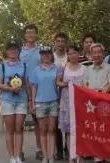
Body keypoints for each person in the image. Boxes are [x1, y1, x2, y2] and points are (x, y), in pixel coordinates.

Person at [0, 40, 29, 163]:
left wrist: (23, 90)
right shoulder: (2, 66)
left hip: (21, 100)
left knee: (19, 128)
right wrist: (10, 89)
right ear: (7, 51)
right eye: (10, 49)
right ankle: (12, 157)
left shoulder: (23, 65)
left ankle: (18, 155)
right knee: (10, 130)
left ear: (18, 51)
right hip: (8, 100)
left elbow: (27, 83)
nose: (13, 51)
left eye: (15, 49)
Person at [29, 45, 60, 163]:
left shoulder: (56, 68)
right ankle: (45, 155)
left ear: (51, 55)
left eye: (48, 53)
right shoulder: (36, 70)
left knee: (51, 129)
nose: (46, 56)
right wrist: (32, 103)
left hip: (53, 101)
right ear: (40, 56)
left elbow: (59, 84)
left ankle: (51, 155)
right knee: (42, 129)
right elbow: (34, 87)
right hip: (40, 103)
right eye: (43, 54)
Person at [57, 45, 86, 163]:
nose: (72, 55)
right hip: (67, 102)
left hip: (81, 102)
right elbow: (58, 82)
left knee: (80, 129)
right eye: (70, 53)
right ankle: (71, 156)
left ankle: (80, 155)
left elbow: (87, 84)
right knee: (69, 130)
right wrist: (66, 84)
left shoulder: (84, 68)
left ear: (78, 54)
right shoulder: (63, 67)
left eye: (74, 53)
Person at [20, 24, 43, 160]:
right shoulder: (19, 52)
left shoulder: (41, 51)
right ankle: (19, 151)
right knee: (19, 122)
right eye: (28, 32)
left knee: (38, 121)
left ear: (36, 34)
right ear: (25, 35)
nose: (30, 35)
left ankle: (39, 149)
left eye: (33, 32)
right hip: (21, 91)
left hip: (37, 91)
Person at [52, 32, 68, 160]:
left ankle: (68, 148)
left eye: (63, 41)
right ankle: (59, 150)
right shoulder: (50, 57)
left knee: (68, 122)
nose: (60, 43)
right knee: (56, 123)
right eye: (58, 41)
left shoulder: (70, 56)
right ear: (54, 43)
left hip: (67, 94)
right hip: (53, 93)